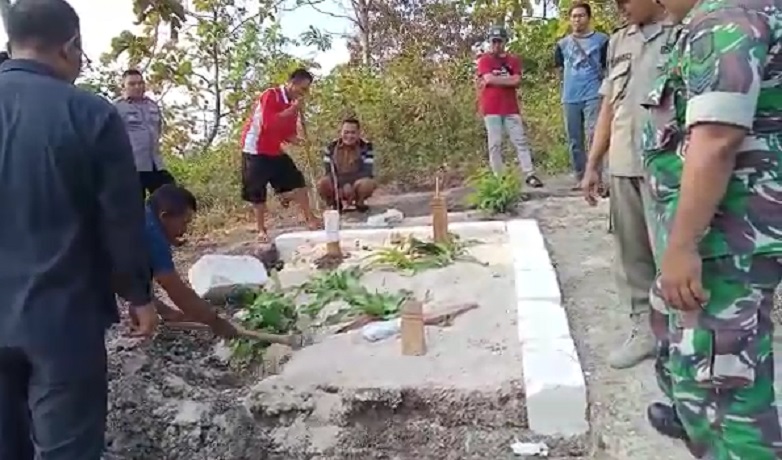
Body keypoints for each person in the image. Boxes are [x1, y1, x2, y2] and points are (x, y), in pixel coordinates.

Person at [0, 1, 158, 459]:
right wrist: (138, 294)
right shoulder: (90, 113)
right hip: (63, 317)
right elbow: (121, 217)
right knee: (68, 448)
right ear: (70, 45)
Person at [641, 0, 782, 457]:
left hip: (726, 236)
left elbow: (717, 140)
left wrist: (682, 246)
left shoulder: (728, 18)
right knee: (697, 361)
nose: (660, 5)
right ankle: (690, 412)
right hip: (723, 231)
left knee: (725, 392)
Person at [581, 0, 677, 370]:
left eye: (626, 0)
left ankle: (681, 338)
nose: (620, 7)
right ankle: (645, 330)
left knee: (672, 253)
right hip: (623, 161)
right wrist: (593, 164)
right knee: (631, 254)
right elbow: (609, 105)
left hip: (668, 163)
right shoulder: (619, 41)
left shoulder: (685, 29)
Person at [142, 184, 240, 338]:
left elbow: (133, 276)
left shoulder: (141, 218)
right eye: (184, 222)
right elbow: (175, 288)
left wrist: (163, 310)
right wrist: (215, 322)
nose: (185, 230)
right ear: (164, 216)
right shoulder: (152, 234)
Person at [240, 68, 321, 243]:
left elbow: (287, 133)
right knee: (257, 191)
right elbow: (270, 124)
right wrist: (293, 109)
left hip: (274, 149)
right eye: (303, 88)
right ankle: (261, 229)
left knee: (298, 181)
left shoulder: (293, 105)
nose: (304, 93)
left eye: (306, 90)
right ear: (293, 84)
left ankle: (310, 218)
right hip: (255, 148)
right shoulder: (271, 95)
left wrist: (300, 141)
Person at [476, 25, 543, 188]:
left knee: (520, 141)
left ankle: (530, 174)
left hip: (511, 108)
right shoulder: (484, 60)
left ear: (505, 41)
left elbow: (516, 81)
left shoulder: (513, 60)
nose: (496, 45)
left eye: (500, 41)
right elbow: (489, 78)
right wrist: (505, 80)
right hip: (491, 108)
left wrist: (495, 80)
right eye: (494, 41)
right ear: (490, 42)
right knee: (495, 144)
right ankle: (499, 178)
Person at [554, 2, 609, 189]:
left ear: (589, 18)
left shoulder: (602, 40)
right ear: (570, 20)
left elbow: (606, 66)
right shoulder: (562, 44)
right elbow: (559, 69)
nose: (578, 19)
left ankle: (597, 177)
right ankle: (580, 177)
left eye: (581, 15)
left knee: (595, 135)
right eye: (574, 16)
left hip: (593, 93)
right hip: (570, 96)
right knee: (574, 139)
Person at [114, 68, 174, 201]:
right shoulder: (117, 108)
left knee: (171, 199)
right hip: (132, 167)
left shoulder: (152, 106)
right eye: (132, 84)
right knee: (134, 209)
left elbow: (159, 129)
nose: (137, 87)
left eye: (140, 83)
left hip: (155, 164)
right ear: (123, 87)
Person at [317, 118, 377, 212]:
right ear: (341, 132)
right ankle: (335, 204)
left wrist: (350, 186)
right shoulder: (331, 147)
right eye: (346, 132)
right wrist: (341, 186)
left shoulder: (366, 147)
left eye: (353, 133)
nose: (349, 136)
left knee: (368, 183)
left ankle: (359, 202)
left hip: (357, 184)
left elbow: (367, 171)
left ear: (358, 133)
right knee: (322, 183)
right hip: (337, 184)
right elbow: (329, 171)